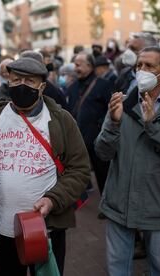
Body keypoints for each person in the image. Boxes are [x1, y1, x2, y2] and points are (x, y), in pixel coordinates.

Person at [0, 57, 90, 276]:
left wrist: (53, 199)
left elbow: (79, 170)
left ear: (42, 86)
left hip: (45, 230)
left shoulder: (61, 120)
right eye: (16, 79)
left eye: (30, 81)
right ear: (8, 81)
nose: (22, 85)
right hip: (3, 229)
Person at [94, 47, 160, 276]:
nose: (141, 71)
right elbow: (102, 153)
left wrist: (154, 127)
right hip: (118, 203)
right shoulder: (121, 104)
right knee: (117, 269)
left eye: (149, 66)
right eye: (138, 65)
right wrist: (113, 123)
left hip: (158, 206)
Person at [66, 52, 113, 206]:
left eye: (79, 64)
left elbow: (111, 109)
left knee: (102, 173)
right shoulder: (72, 87)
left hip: (97, 139)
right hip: (78, 139)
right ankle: (76, 201)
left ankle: (108, 204)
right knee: (77, 171)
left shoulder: (103, 85)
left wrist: (100, 125)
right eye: (75, 64)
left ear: (90, 66)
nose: (76, 68)